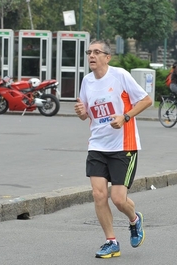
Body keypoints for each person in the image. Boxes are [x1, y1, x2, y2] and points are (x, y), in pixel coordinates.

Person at [74, 40, 152, 258]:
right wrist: (81, 112)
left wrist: (125, 117)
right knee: (99, 195)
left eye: (96, 52)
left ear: (107, 57)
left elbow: (147, 101)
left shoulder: (120, 76)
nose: (91, 55)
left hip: (123, 146)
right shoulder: (87, 81)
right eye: (89, 52)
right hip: (97, 145)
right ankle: (111, 241)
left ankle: (134, 219)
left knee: (118, 199)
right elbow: (86, 115)